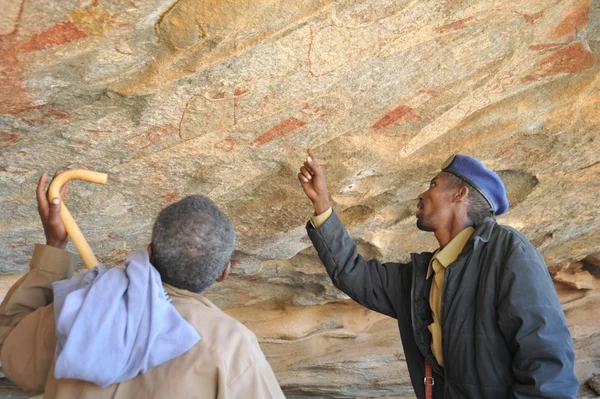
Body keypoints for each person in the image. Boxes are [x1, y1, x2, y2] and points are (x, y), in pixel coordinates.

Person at [297, 149, 578, 398]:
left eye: (433, 185)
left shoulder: (507, 251)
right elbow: (353, 274)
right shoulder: (424, 276)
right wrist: (322, 204)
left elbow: (547, 364)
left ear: (460, 194)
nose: (421, 194)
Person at [0, 172, 285, 399]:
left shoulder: (84, 307)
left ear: (149, 252)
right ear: (224, 272)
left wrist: (55, 246)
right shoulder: (230, 347)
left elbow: (10, 346)